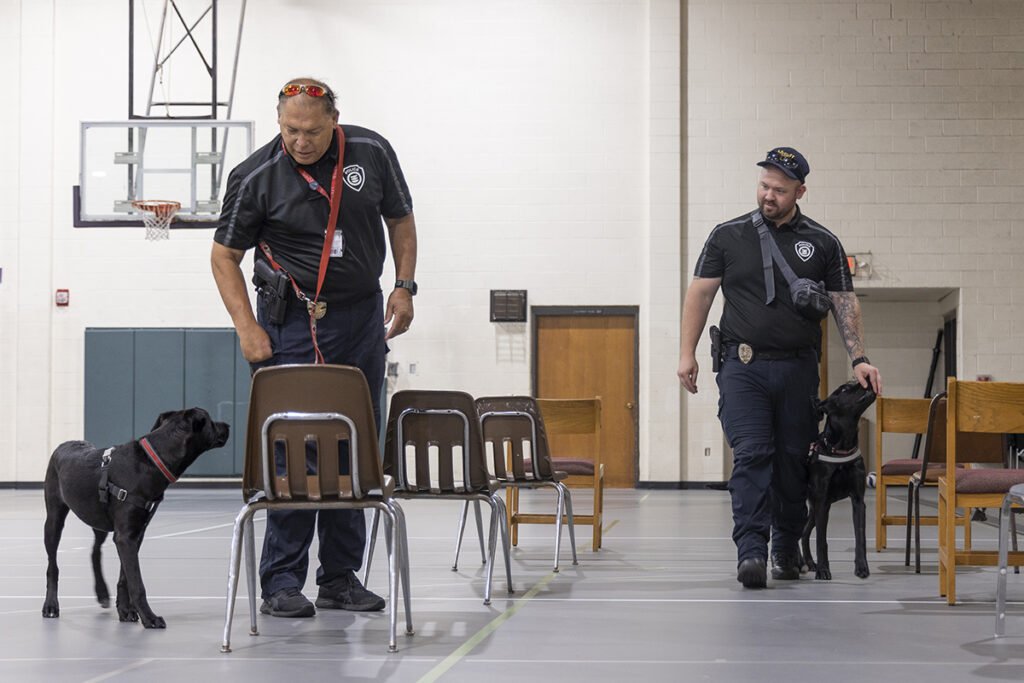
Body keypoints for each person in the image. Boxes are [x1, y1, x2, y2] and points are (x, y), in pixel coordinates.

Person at [211, 77, 418, 617]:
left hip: (360, 318)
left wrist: (405, 283)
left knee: (352, 440)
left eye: (311, 130)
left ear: (334, 119)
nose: (300, 141)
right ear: (278, 121)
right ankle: (281, 580)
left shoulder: (370, 152)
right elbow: (223, 258)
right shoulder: (254, 175)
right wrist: (246, 327)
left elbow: (400, 219)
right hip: (291, 322)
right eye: (290, 130)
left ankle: (341, 577)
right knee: (296, 443)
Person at [677, 147, 881, 589]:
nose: (769, 196)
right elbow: (701, 294)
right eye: (764, 186)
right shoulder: (727, 236)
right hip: (743, 365)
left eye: (780, 190)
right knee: (751, 455)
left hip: (798, 370)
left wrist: (859, 357)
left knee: (793, 463)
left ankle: (785, 548)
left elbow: (845, 303)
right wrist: (686, 352)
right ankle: (751, 551)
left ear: (800, 191)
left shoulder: (823, 242)